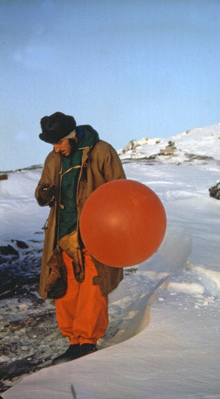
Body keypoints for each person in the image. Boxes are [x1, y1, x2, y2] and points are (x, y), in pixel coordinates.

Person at [35, 112, 126, 365]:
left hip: (93, 235)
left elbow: (120, 189)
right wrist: (44, 193)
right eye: (53, 144)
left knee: (92, 288)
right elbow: (42, 191)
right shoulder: (53, 159)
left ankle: (87, 342)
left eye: (59, 143)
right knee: (64, 289)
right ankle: (73, 341)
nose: (56, 149)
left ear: (71, 138)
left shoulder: (102, 152)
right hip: (63, 236)